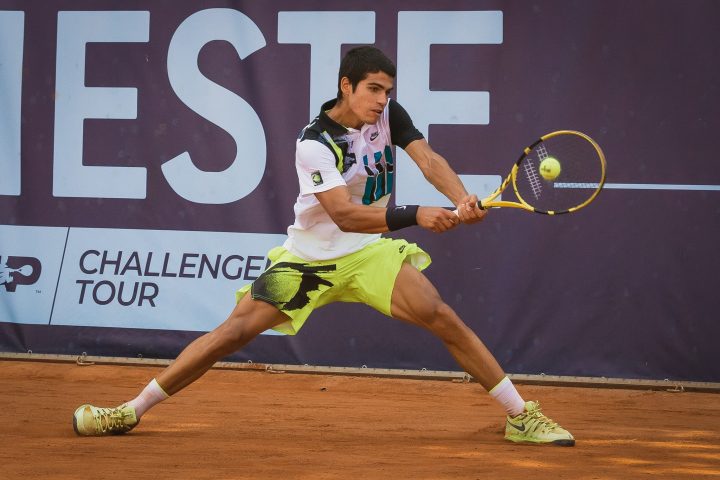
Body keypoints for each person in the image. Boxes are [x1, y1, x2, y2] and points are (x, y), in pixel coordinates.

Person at [72, 46, 574, 447]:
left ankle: (519, 415)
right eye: (373, 89)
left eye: (387, 91)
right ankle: (128, 412)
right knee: (230, 335)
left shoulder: (388, 115)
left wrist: (460, 196)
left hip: (368, 253)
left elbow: (426, 158)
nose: (381, 100)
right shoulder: (314, 143)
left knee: (439, 313)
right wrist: (418, 214)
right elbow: (343, 213)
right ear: (346, 86)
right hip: (308, 259)